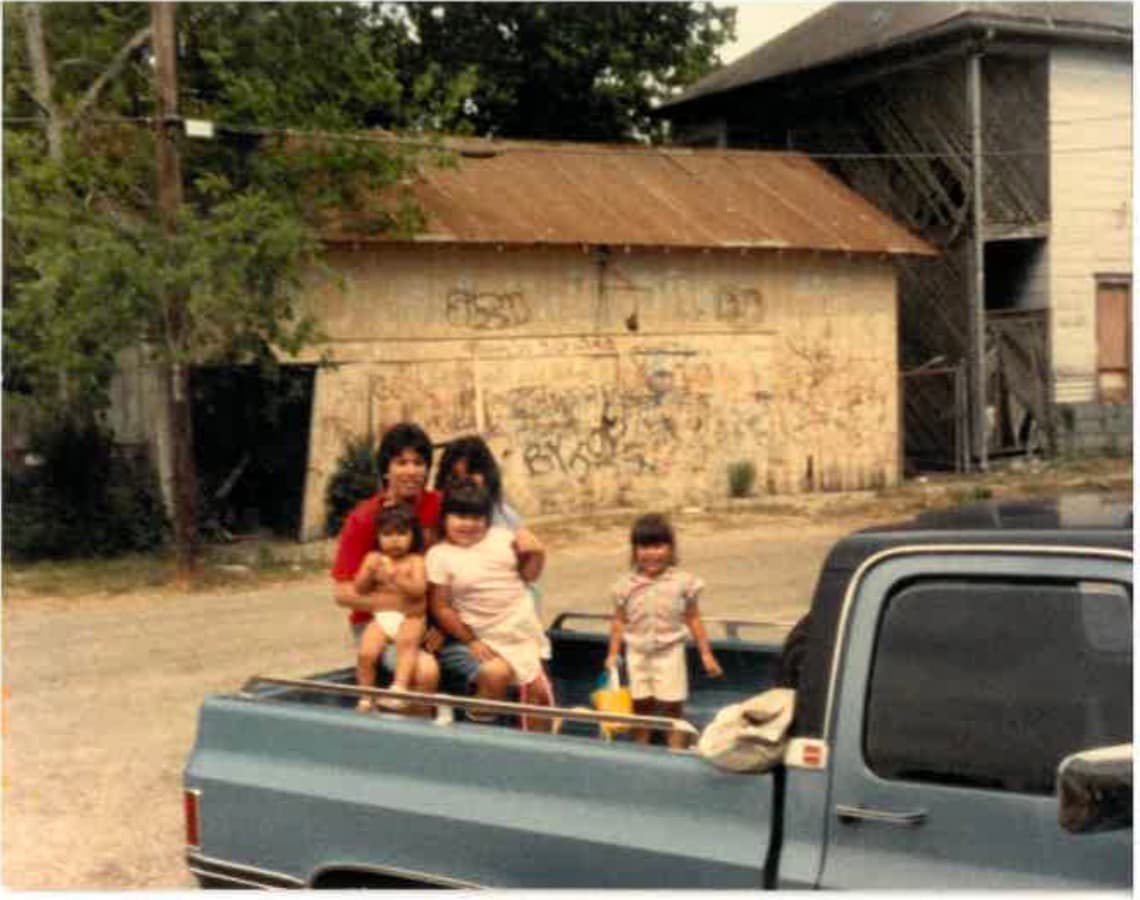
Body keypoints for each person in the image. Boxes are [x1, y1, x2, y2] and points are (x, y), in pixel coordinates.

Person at [426, 480, 554, 731]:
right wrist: (471, 640)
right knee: (496, 674)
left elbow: (529, 576)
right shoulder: (439, 555)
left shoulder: (504, 538)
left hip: (521, 630)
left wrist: (538, 553)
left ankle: (541, 747)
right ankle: (477, 731)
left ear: (487, 519)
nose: (468, 524)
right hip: (481, 635)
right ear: (445, 519)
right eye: (460, 516)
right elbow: (441, 608)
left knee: (539, 694)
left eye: (476, 517)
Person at [331, 422, 441, 699]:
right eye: (401, 462)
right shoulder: (364, 518)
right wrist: (405, 605)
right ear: (386, 470)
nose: (411, 471)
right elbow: (343, 593)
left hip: (434, 621)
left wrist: (439, 622)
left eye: (419, 463)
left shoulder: (440, 507)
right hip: (376, 623)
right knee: (423, 673)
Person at [604, 513, 723, 749]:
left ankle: (676, 751)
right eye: (644, 547)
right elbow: (619, 621)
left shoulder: (683, 582)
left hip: (670, 652)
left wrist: (706, 654)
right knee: (641, 704)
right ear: (634, 551)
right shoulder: (625, 585)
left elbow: (693, 618)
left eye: (658, 546)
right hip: (637, 653)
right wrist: (613, 653)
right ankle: (641, 749)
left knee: (672, 705)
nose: (651, 554)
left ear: (671, 548)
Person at [435, 434, 544, 610]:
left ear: (487, 474)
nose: (464, 482)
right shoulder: (437, 517)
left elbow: (528, 578)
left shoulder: (506, 519)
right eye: (455, 477)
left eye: (472, 473)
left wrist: (538, 554)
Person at [352, 505, 428, 712]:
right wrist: (368, 571)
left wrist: (397, 578)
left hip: (410, 617)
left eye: (401, 534)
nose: (394, 540)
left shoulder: (415, 561)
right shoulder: (374, 558)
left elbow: (419, 590)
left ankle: (399, 689)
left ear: (413, 535)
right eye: (387, 534)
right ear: (378, 537)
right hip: (382, 618)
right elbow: (359, 588)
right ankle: (366, 695)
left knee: (407, 644)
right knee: (366, 653)